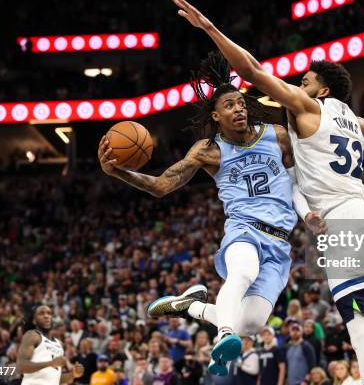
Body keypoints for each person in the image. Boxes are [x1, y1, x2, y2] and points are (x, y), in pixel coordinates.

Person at [169, 0, 364, 385]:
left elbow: (251, 70)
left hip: (344, 223)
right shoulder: (356, 121)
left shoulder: (309, 109)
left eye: (304, 82)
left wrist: (210, 28)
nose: (297, 88)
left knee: (361, 325)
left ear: (321, 91)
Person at [99, 52, 313, 376]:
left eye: (240, 103)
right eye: (229, 106)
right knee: (242, 273)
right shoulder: (208, 150)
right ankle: (223, 335)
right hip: (245, 228)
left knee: (252, 322)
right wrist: (119, 174)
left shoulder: (277, 135)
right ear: (216, 115)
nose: (238, 108)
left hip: (281, 241)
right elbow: (160, 186)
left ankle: (192, 306)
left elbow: (301, 177)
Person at [17, 305, 84, 385]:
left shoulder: (58, 343)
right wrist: (50, 363)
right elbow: (21, 366)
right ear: (34, 320)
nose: (46, 316)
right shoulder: (32, 335)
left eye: (49, 313)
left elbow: (56, 380)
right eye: (41, 313)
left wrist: (73, 374)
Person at [283, 319, 316, 385]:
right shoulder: (288, 347)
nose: (295, 332)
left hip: (302, 382)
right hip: (290, 382)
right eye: (293, 330)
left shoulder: (306, 346)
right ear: (290, 332)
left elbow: (312, 364)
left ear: (302, 332)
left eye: (297, 330)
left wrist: (306, 381)